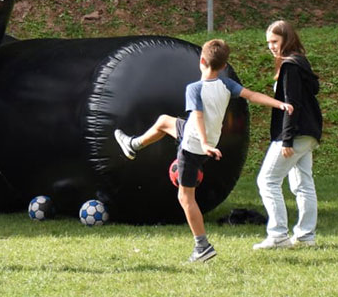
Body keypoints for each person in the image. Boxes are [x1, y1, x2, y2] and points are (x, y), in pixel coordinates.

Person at [113, 39, 293, 263]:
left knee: (185, 197)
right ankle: (134, 145)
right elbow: (252, 95)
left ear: (201, 61)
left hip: (193, 145)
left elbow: (198, 116)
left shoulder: (195, 89)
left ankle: (202, 246)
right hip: (198, 137)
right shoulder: (226, 84)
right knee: (164, 122)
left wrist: (205, 143)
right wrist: (279, 104)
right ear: (224, 66)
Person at [253, 19, 323, 250]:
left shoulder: (290, 66)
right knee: (303, 184)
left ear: (287, 39)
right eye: (268, 43)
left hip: (297, 133)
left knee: (267, 181)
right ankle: (305, 236)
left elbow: (292, 106)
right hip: (308, 133)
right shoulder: (300, 62)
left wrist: (286, 139)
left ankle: (278, 235)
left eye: (275, 41)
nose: (271, 46)